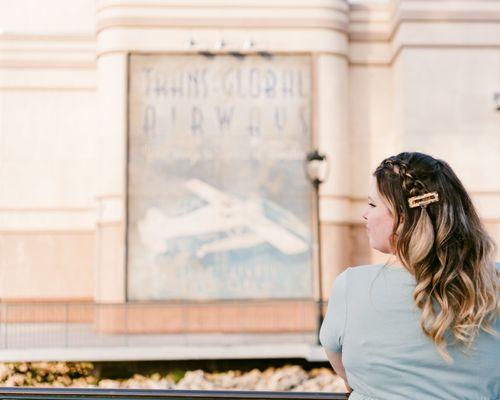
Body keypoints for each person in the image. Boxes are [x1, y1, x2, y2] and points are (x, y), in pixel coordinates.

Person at [320, 152, 499, 400]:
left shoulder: (351, 287)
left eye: (372, 205)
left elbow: (348, 374)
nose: (365, 214)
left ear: (403, 218)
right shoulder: (494, 283)